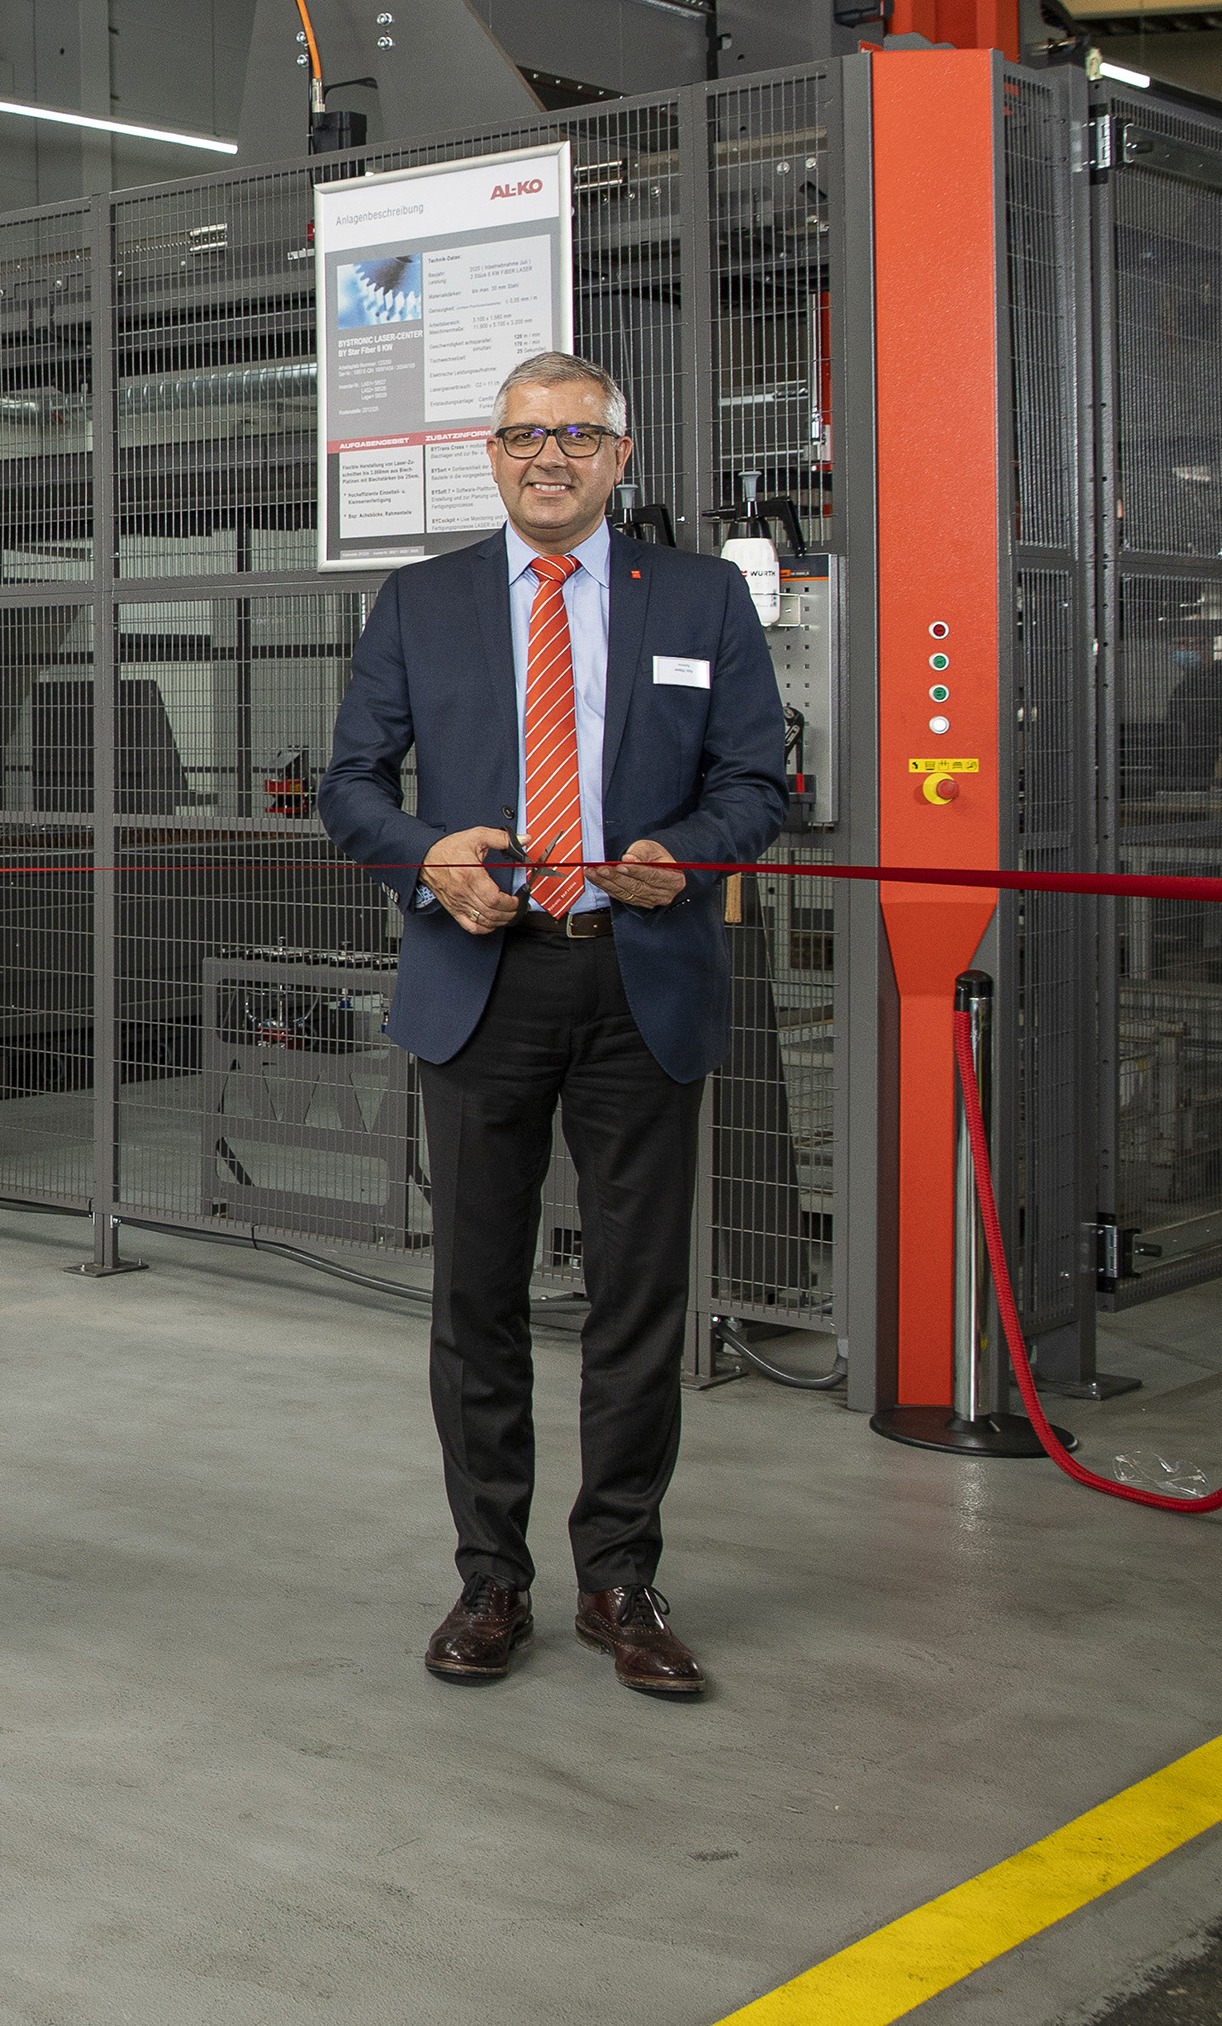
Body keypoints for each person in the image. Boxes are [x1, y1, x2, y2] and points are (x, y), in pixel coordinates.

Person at [320, 351, 787, 1701]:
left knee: (638, 1295)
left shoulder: (699, 597)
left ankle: (619, 1578)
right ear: (494, 455)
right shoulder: (421, 602)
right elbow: (351, 785)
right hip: (482, 978)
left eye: (578, 437)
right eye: (525, 435)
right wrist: (426, 858)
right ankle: (492, 1578)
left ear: (619, 459)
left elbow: (757, 781)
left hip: (642, 976)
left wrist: (684, 856)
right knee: (477, 1295)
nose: (549, 457)